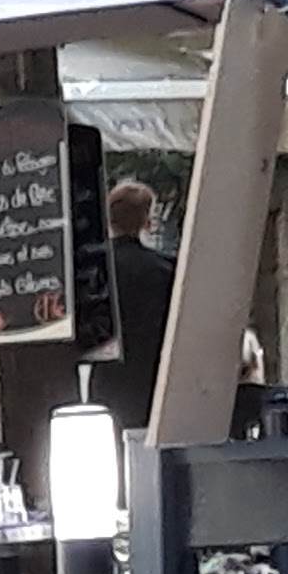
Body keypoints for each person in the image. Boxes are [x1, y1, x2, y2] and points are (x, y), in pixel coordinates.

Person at [105, 177, 179, 420]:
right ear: (148, 222)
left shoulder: (90, 268)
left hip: (106, 378)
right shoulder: (168, 269)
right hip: (155, 377)